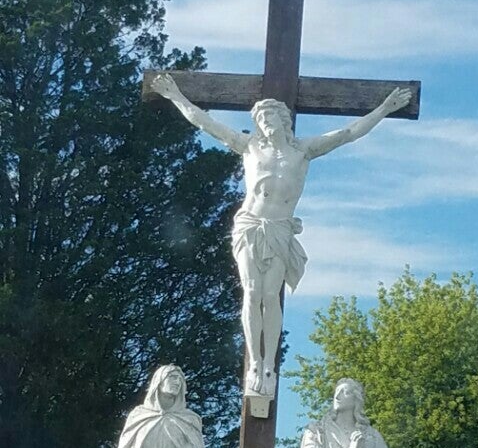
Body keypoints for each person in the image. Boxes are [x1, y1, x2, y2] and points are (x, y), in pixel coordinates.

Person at [152, 74, 412, 398]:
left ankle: (269, 364)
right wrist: (176, 95)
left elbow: (348, 133)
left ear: (283, 119)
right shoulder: (248, 145)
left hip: (279, 228)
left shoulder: (303, 151)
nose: (265, 122)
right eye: (260, 118)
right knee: (251, 291)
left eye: (270, 116)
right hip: (250, 225)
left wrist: (385, 108)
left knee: (270, 295)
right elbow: (204, 122)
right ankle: (254, 364)